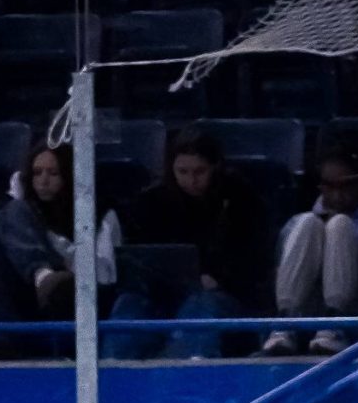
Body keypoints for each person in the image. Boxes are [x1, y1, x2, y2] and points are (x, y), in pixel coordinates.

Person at [107, 127, 275, 359]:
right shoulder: (151, 201)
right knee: (129, 305)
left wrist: (219, 279)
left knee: (201, 306)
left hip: (226, 294)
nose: (191, 180)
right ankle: (113, 374)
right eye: (182, 172)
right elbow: (139, 257)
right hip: (162, 293)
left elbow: (256, 261)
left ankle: (183, 378)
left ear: (215, 166)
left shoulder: (242, 199)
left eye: (199, 171)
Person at [264, 126, 358, 354]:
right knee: (308, 222)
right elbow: (279, 268)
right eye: (329, 186)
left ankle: (335, 324)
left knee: (340, 225)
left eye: (346, 186)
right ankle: (286, 323)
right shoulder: (300, 224)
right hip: (310, 312)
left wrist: (344, 240)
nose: (337, 195)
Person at [0, 142, 113, 329]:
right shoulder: (24, 214)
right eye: (37, 173)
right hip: (31, 296)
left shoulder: (100, 213)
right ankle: (40, 275)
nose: (43, 181)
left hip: (78, 295)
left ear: (69, 175)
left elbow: (106, 275)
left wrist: (62, 252)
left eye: (53, 173)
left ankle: (3, 333)